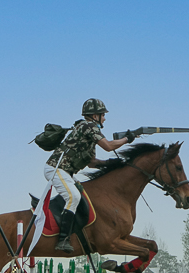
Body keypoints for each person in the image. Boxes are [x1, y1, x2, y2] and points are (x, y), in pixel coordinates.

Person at [45, 98, 137, 252]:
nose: (105, 118)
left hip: (65, 172)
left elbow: (92, 162)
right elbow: (108, 146)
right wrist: (127, 139)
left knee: (81, 195)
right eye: (103, 115)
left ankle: (76, 232)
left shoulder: (88, 132)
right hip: (56, 169)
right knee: (73, 197)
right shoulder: (88, 126)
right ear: (95, 116)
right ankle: (62, 239)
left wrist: (110, 164)